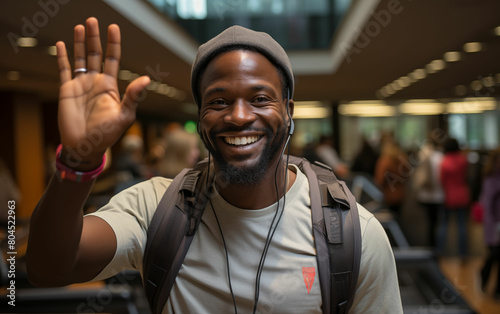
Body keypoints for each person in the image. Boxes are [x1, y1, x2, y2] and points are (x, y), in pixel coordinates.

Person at [26, 17, 402, 313]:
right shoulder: (158, 208)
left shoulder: (353, 235)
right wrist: (80, 159)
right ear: (202, 115)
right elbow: (47, 269)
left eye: (259, 98)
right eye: (219, 101)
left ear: (289, 113)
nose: (239, 116)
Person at [437, 138, 470, 258]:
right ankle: (463, 253)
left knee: (444, 225)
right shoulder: (463, 160)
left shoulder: (444, 162)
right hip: (462, 195)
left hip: (448, 196)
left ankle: (439, 252)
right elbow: (467, 177)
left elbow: (441, 181)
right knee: (462, 226)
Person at [413, 136, 445, 248]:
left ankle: (429, 246)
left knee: (428, 221)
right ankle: (438, 246)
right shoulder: (441, 157)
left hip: (425, 195)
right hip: (438, 195)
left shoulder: (422, 155)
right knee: (437, 221)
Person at [479, 147, 500, 296]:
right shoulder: (491, 179)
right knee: (494, 256)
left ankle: (497, 290)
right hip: (495, 226)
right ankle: (484, 274)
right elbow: (488, 206)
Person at [374, 134, 408, 219]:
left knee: (388, 218)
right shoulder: (403, 159)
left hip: (387, 194)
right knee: (398, 217)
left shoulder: (384, 161)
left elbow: (379, 179)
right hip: (400, 193)